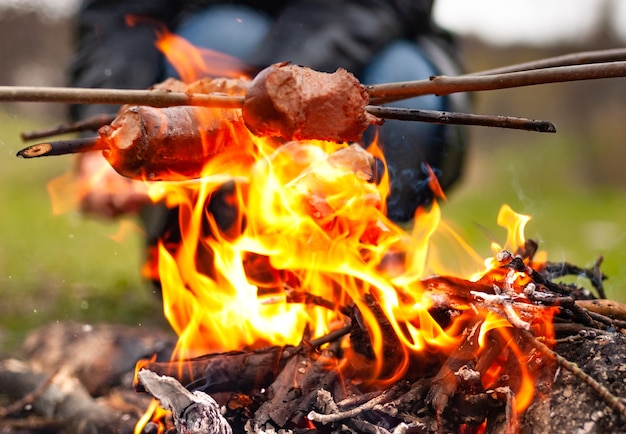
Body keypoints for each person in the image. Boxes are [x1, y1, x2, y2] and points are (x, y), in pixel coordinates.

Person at [68, 0, 469, 283]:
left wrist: (273, 92)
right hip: (218, 36)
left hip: (368, 40)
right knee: (217, 39)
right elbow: (121, 12)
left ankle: (361, 259)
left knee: (409, 99)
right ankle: (211, 260)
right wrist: (106, 120)